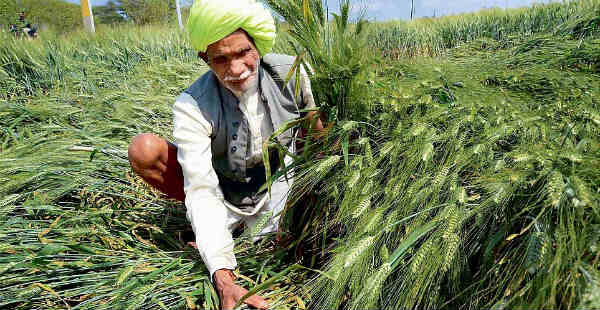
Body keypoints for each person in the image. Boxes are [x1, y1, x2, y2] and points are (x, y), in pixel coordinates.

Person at [127, 0, 323, 309]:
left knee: (284, 242)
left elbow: (316, 140)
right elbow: (201, 188)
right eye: (221, 59)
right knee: (144, 149)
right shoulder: (192, 105)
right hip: (224, 192)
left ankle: (264, 229)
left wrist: (310, 205)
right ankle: (223, 233)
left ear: (257, 45)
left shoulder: (291, 72)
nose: (236, 69)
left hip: (279, 184)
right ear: (205, 59)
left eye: (244, 52)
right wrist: (223, 277)